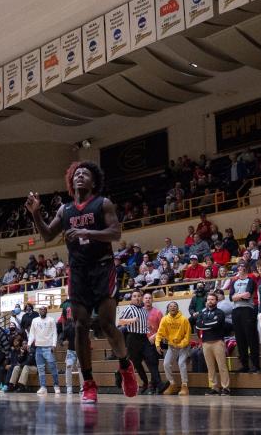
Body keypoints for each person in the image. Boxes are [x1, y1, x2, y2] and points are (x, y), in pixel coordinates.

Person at [26, 161, 138, 403]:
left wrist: (88, 233)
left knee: (108, 325)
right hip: (78, 272)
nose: (80, 176)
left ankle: (125, 365)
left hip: (103, 267)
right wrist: (35, 213)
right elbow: (47, 235)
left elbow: (116, 233)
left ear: (93, 181)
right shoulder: (65, 210)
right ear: (71, 180)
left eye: (85, 174)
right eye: (76, 174)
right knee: (79, 325)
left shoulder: (102, 203)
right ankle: (88, 383)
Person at [194, 291, 230, 394]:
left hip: (217, 342)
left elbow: (216, 323)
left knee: (222, 366)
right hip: (206, 343)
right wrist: (207, 324)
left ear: (216, 301)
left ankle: (226, 388)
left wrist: (205, 324)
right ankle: (214, 387)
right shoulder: (202, 313)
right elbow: (198, 326)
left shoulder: (220, 312)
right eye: (208, 300)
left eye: (212, 299)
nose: (210, 301)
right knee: (210, 367)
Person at [228, 262, 260, 372]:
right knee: (240, 339)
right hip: (236, 311)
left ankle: (256, 365)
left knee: (251, 338)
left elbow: (248, 296)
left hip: (248, 310)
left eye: (242, 267)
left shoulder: (250, 281)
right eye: (239, 267)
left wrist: (237, 296)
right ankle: (244, 365)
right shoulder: (234, 281)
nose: (240, 268)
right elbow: (230, 298)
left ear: (246, 269)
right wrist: (240, 295)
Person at [155, 301, 191, 395]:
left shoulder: (184, 319)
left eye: (175, 306)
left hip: (183, 346)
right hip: (172, 346)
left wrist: (180, 344)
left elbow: (187, 337)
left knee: (181, 363)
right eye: (170, 306)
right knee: (166, 364)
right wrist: (158, 345)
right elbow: (159, 333)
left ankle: (184, 385)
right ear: (168, 308)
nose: (172, 307)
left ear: (177, 308)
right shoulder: (165, 319)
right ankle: (172, 384)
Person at [27, 304, 60, 396]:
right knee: (41, 369)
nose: (42, 311)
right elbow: (32, 333)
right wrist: (29, 343)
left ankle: (56, 385)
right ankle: (43, 387)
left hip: (49, 347)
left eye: (44, 309)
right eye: (41, 309)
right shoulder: (34, 320)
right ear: (39, 311)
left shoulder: (51, 320)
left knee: (53, 367)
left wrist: (54, 344)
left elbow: (54, 333)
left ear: (46, 311)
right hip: (38, 348)